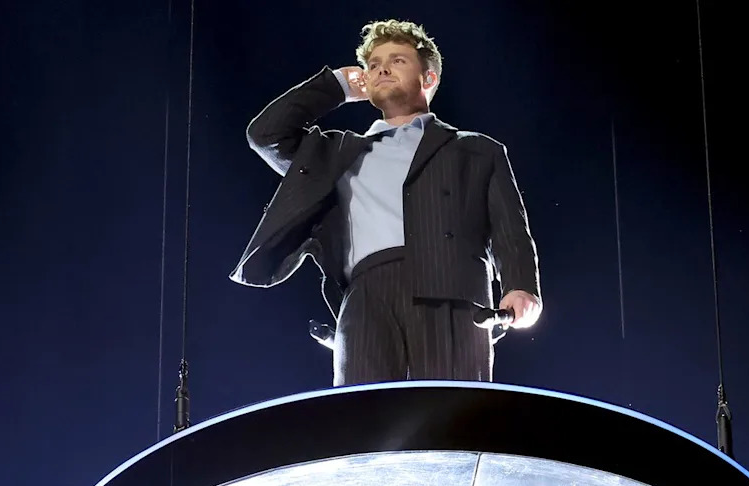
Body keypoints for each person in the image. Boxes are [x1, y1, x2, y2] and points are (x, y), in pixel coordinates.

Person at [230, 19, 542, 386]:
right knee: (363, 418)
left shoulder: (477, 148)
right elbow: (264, 134)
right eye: (374, 63)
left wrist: (520, 285)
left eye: (397, 60)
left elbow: (510, 226)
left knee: (449, 415)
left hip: (452, 289)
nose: (381, 68)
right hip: (365, 295)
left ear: (429, 79)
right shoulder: (335, 154)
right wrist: (337, 86)